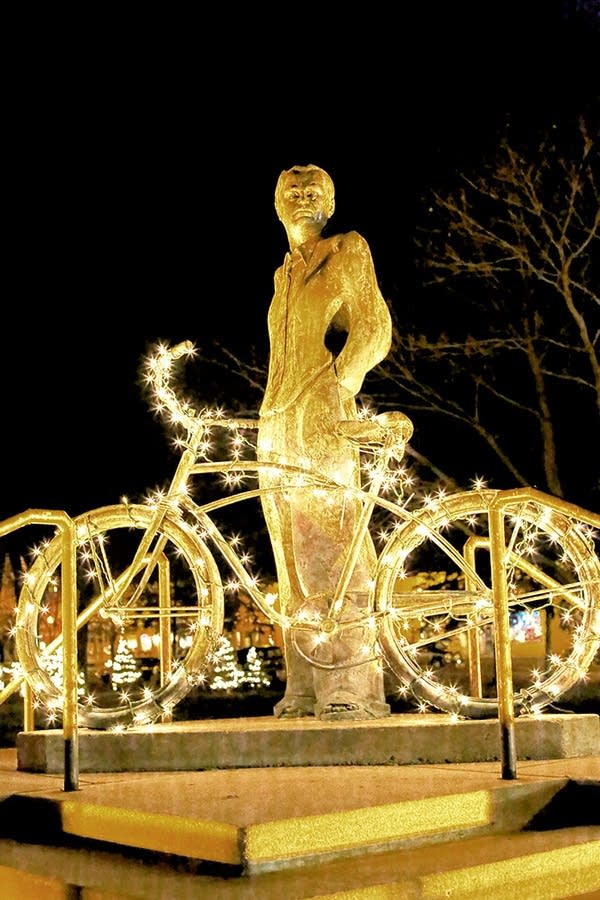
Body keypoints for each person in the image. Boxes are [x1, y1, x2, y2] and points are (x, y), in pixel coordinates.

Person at [257, 164, 392, 721]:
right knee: (289, 559)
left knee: (334, 552)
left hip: (321, 415)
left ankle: (351, 687)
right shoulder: (281, 274)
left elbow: (375, 324)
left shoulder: (347, 251)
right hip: (276, 422)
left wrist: (342, 382)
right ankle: (306, 682)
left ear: (330, 204)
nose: (303, 197)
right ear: (278, 205)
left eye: (315, 190)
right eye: (292, 191)